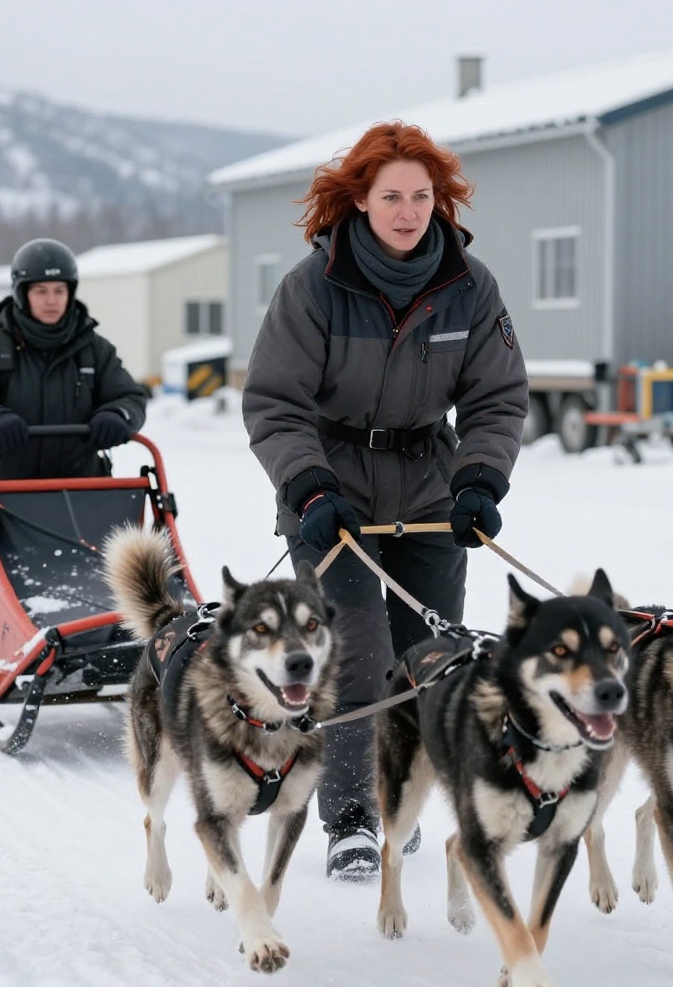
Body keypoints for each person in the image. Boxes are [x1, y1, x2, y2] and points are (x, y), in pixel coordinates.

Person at [241, 122, 529, 881]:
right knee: (357, 645)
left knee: (430, 656)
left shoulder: (470, 285)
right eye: (392, 196)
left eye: (422, 196)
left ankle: (400, 798)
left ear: (441, 201)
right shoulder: (314, 287)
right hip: (329, 493)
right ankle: (351, 818)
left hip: (430, 489)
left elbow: (497, 398)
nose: (408, 211)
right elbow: (275, 402)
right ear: (360, 200)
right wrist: (307, 486)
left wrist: (479, 480)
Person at [0, 237, 147, 479]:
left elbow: (130, 398)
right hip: (9, 494)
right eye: (41, 291)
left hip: (84, 490)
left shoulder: (95, 350)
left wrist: (117, 415)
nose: (52, 300)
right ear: (22, 294)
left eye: (60, 290)